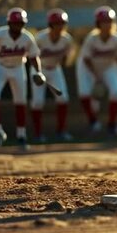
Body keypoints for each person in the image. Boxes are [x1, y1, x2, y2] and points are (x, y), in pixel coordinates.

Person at [0, 7, 46, 150]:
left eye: (20, 23)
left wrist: (38, 72)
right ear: (9, 23)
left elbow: (33, 56)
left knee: (20, 101)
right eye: (15, 23)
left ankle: (21, 135)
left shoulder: (27, 37)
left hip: (18, 68)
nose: (17, 26)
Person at [76, 6, 117, 136]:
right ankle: (93, 122)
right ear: (98, 24)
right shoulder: (92, 38)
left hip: (107, 67)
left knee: (116, 92)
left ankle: (112, 124)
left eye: (109, 21)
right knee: (84, 93)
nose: (107, 24)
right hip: (88, 68)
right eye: (104, 22)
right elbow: (86, 59)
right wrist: (97, 77)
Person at [30, 9, 74, 142]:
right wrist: (37, 72)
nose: (60, 26)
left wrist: (67, 59)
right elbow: (31, 56)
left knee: (63, 99)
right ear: (50, 25)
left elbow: (68, 58)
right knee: (37, 102)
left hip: (55, 69)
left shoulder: (67, 39)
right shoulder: (40, 38)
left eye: (62, 23)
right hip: (39, 70)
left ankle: (61, 131)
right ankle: (37, 134)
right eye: (57, 24)